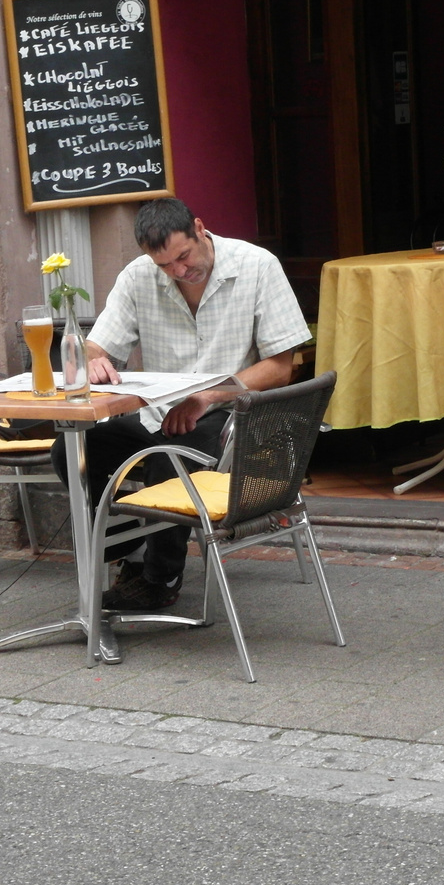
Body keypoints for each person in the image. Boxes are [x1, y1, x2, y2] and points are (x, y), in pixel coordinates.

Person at [50, 197, 311, 612]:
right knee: (73, 446)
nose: (178, 271)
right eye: (165, 266)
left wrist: (206, 396)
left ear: (200, 228)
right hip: (159, 413)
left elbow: (281, 367)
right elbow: (99, 342)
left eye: (183, 257)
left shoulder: (257, 265)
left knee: (166, 459)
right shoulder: (139, 277)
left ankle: (160, 577)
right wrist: (94, 357)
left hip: (232, 416)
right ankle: (131, 544)